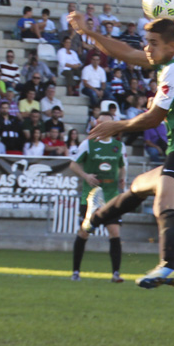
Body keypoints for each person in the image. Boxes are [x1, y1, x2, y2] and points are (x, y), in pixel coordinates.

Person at [68, 12, 174, 289]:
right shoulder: (170, 61)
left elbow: (153, 119)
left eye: (153, 43)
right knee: (138, 186)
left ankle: (169, 267)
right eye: (146, 42)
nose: (147, 48)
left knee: (164, 205)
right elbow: (125, 51)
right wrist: (90, 34)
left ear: (171, 46)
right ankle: (92, 220)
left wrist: (116, 126)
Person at [69, 114, 127, 283]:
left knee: (115, 232)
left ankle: (116, 273)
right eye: (99, 122)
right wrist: (86, 175)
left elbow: (122, 166)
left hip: (111, 197)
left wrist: (122, 179)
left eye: (106, 123)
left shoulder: (119, 146)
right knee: (84, 232)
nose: (101, 125)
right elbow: (73, 164)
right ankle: (76, 272)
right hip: (91, 197)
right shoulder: (88, 144)